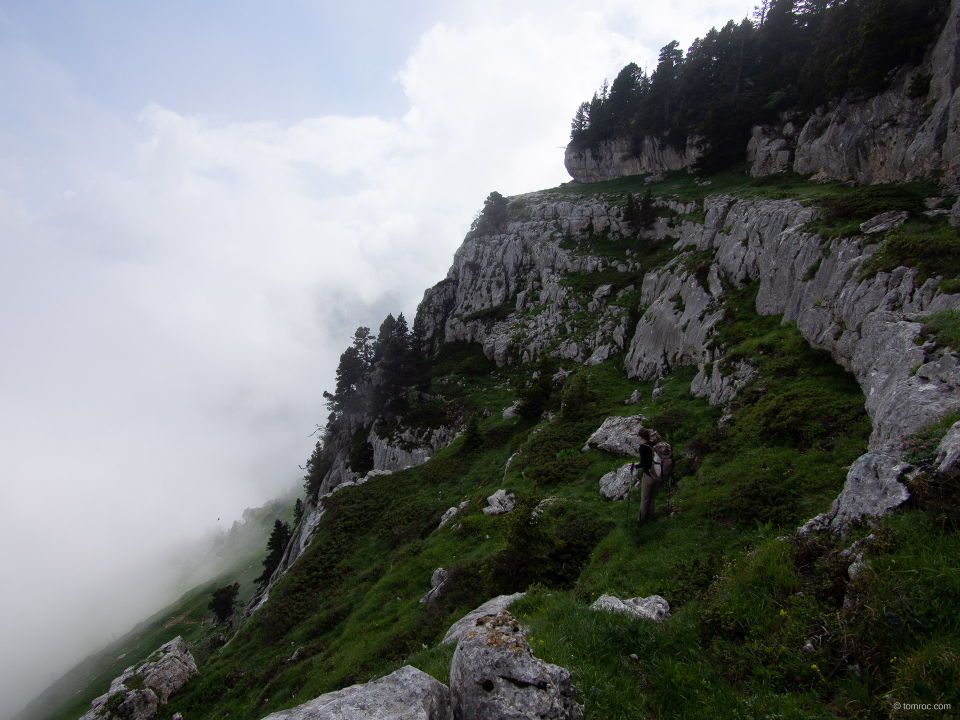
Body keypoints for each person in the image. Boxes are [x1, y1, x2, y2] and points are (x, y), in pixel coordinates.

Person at [633, 427, 662, 524]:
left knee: (645, 499)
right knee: (652, 498)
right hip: (659, 475)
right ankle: (650, 518)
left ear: (641, 437)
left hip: (649, 475)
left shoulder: (643, 447)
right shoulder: (657, 444)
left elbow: (644, 464)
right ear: (649, 435)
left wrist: (635, 466)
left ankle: (642, 520)